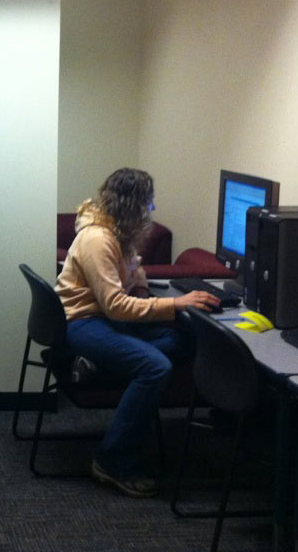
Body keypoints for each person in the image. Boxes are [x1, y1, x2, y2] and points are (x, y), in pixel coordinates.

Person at [55, 167, 219, 498]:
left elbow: (134, 266)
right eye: (148, 204)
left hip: (103, 319)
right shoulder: (97, 239)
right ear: (133, 206)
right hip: (83, 322)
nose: (150, 211)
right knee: (155, 367)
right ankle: (111, 461)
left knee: (183, 339)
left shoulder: (116, 230)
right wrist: (176, 304)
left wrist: (142, 288)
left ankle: (104, 366)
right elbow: (115, 306)